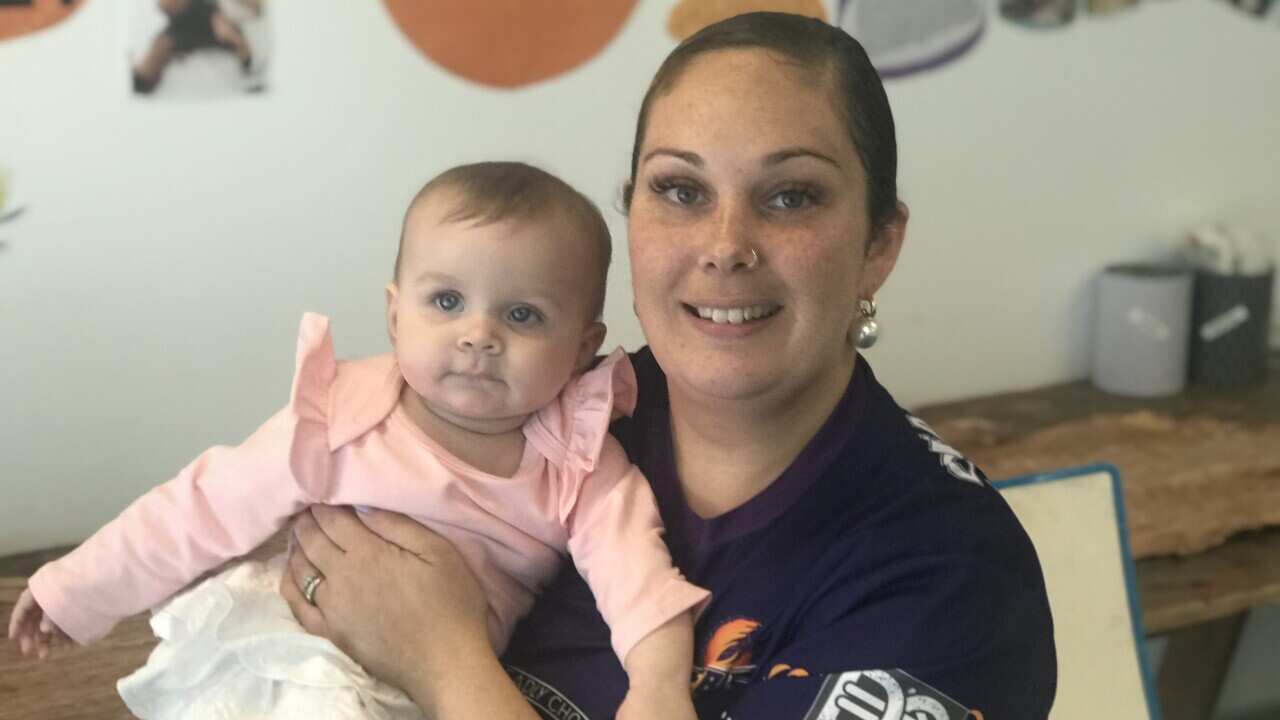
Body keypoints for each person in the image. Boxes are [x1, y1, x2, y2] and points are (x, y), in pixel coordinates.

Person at [279, 11, 1058, 720]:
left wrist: (443, 663)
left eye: (791, 196)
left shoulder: (950, 578)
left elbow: (415, 628)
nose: (725, 245)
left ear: (878, 245)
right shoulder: (543, 410)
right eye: (681, 190)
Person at [7, 162, 709, 719]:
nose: (479, 335)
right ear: (395, 316)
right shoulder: (340, 417)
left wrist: (656, 687)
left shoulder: (579, 463)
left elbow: (641, 581)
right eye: (447, 301)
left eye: (522, 315)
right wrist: (77, 589)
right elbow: (201, 508)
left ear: (583, 348)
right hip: (292, 650)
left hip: (434, 692)